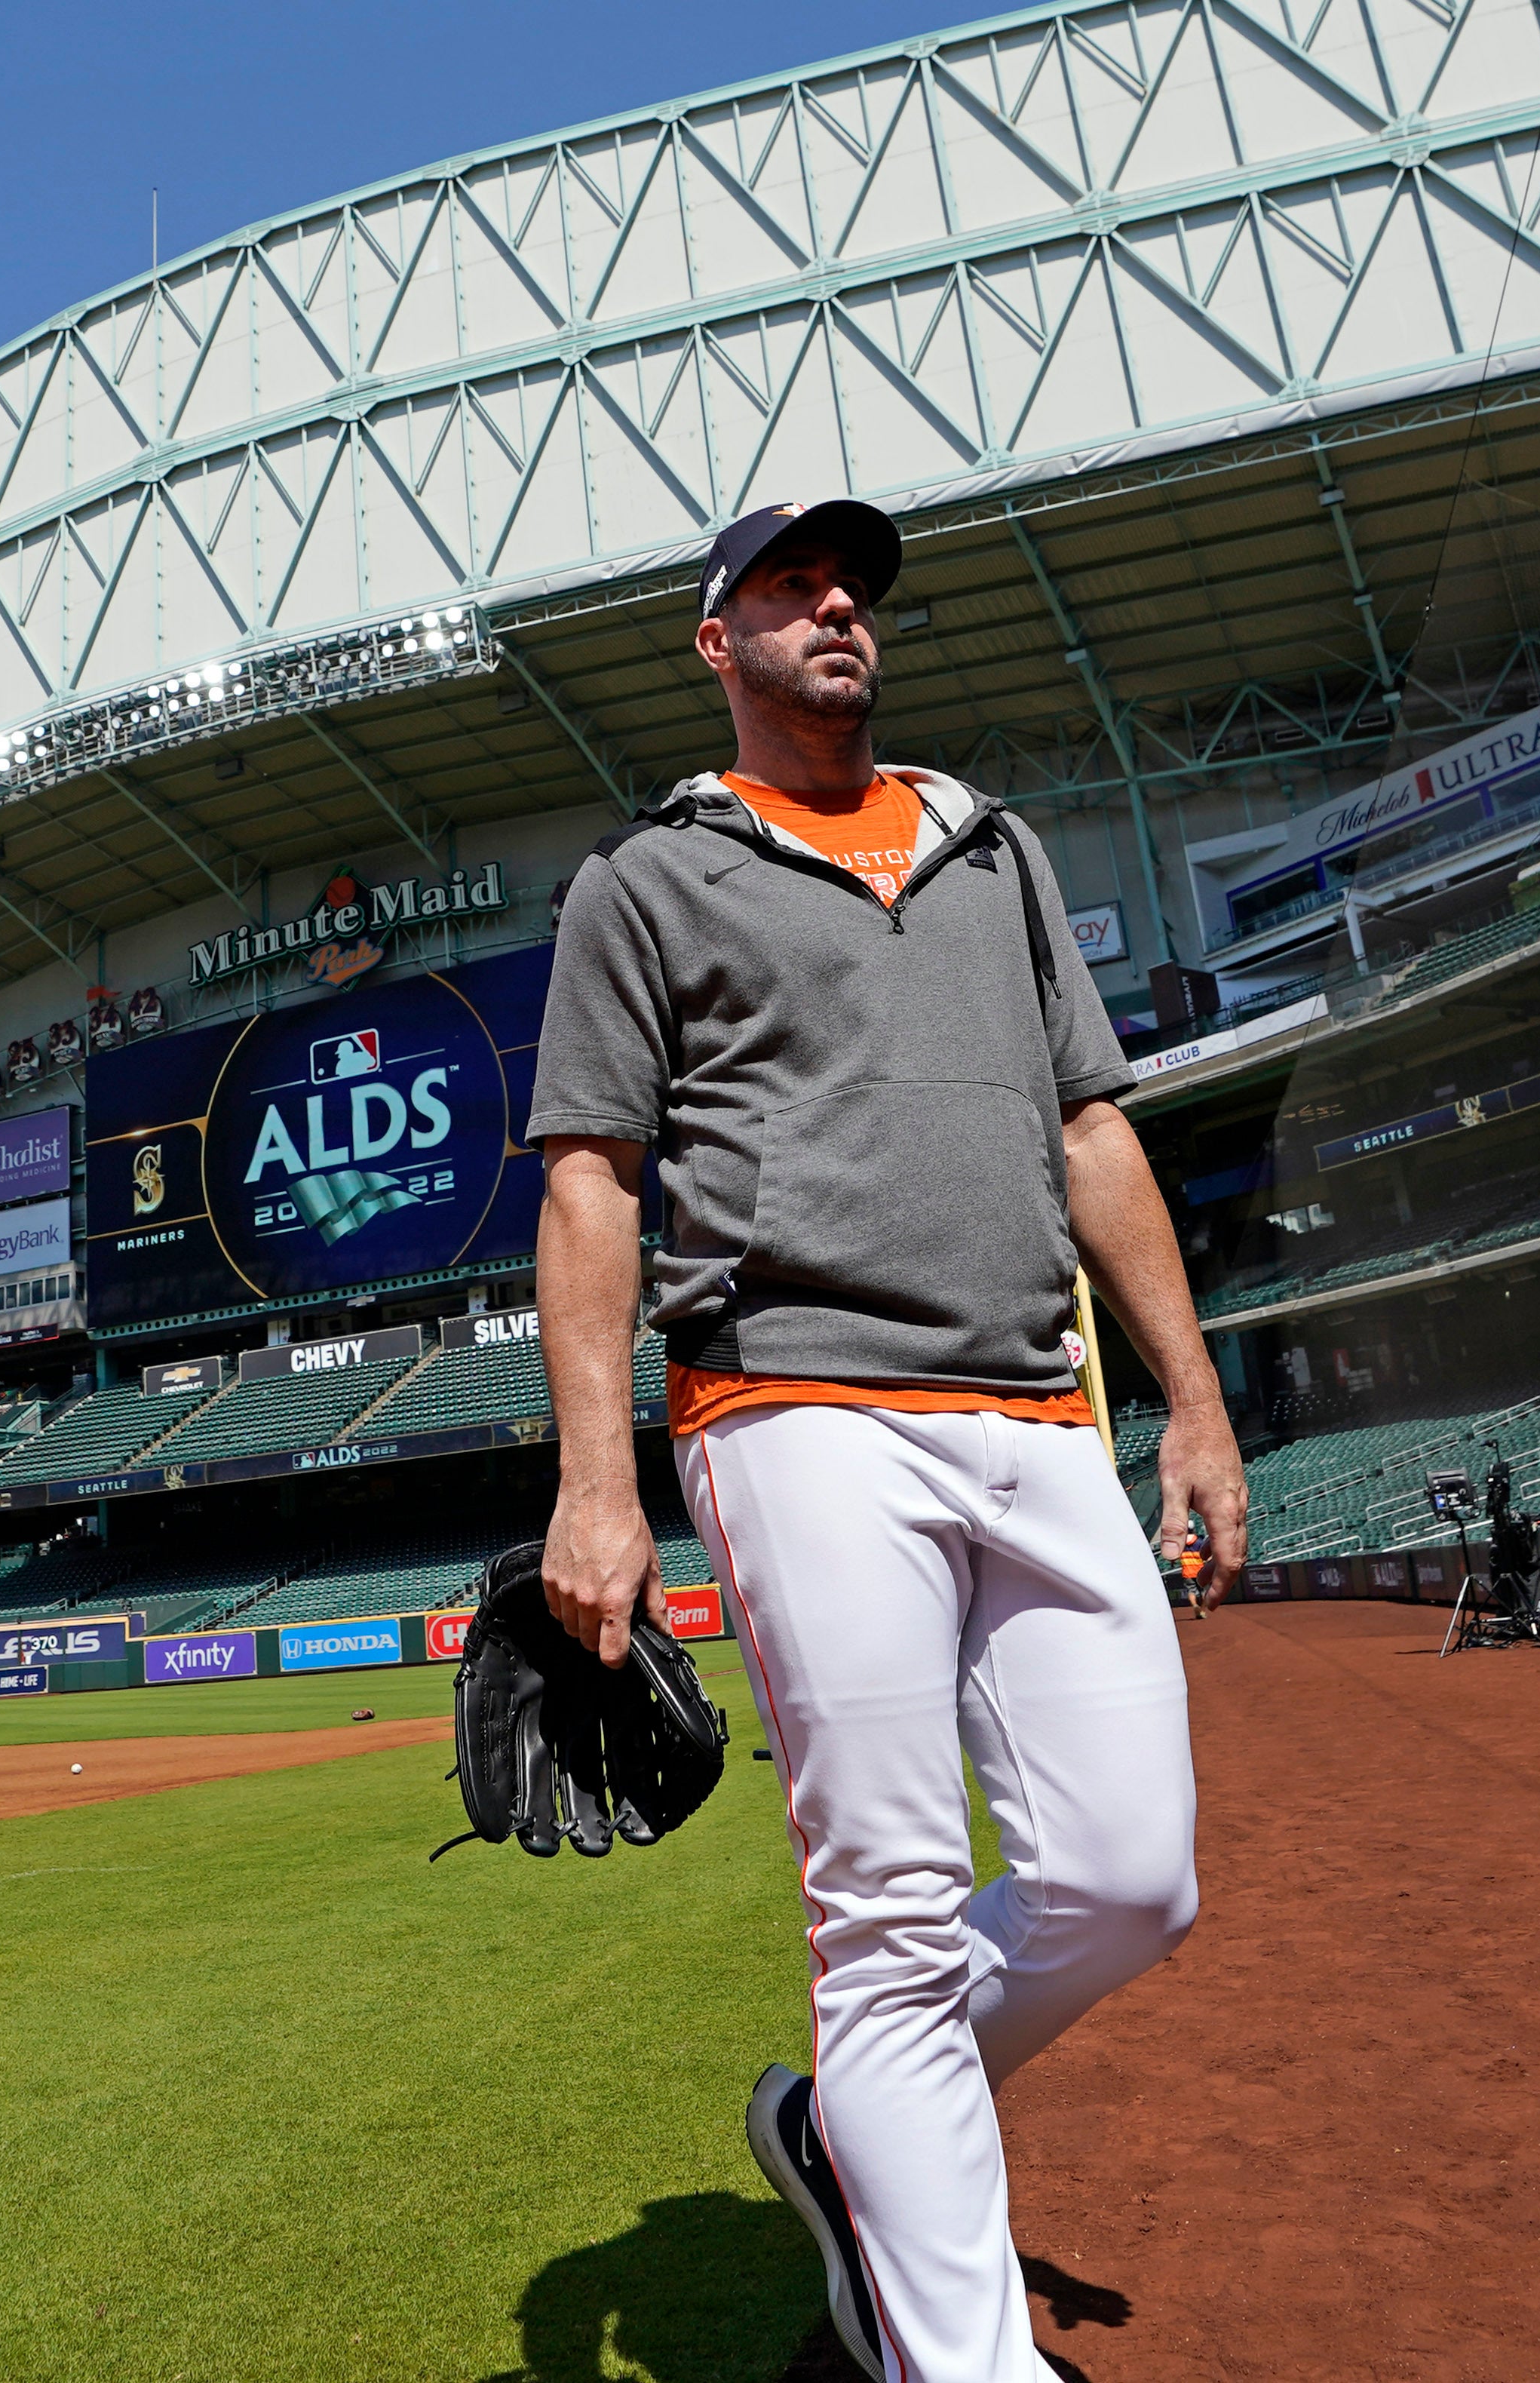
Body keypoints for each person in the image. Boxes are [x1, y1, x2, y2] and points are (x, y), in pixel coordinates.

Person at [526, 497, 1250, 2383]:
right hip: (798, 1400)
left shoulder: (995, 852)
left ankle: (865, 2120)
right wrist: (597, 1485)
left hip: (1032, 1400)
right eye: (790, 586)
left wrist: (1196, 1396)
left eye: (856, 586)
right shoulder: (648, 880)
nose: (838, 606)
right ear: (717, 640)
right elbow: (592, 1180)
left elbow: (1094, 1131)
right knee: (893, 1914)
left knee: (1132, 1880)